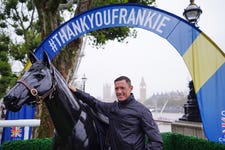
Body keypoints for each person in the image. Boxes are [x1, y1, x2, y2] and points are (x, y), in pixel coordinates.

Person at [68, 76, 163, 150]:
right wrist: (76, 91)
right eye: (116, 88)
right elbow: (94, 102)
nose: (119, 91)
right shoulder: (112, 108)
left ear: (131, 88)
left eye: (122, 88)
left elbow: (156, 141)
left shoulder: (142, 111)